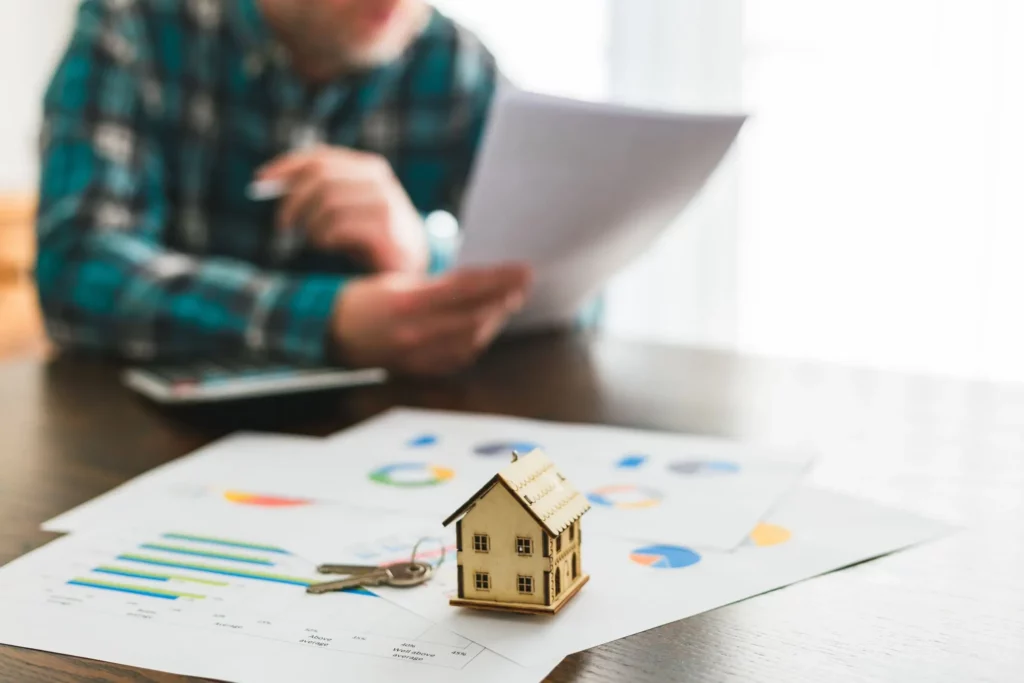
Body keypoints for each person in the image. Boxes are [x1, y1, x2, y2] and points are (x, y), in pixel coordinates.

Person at [35, 0, 531, 377]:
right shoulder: (136, 24)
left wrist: (422, 255)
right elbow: (76, 269)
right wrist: (331, 319)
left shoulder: (454, 62)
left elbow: (564, 280)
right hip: (137, 441)